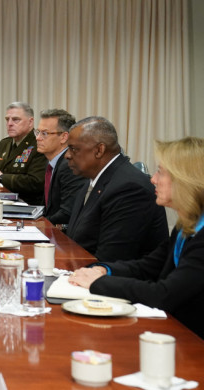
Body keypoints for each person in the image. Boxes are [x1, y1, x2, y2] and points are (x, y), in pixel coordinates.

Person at [69, 137, 204, 338]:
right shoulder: (186, 226)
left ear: (184, 181)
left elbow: (164, 294)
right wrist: (104, 269)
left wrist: (98, 282)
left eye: (161, 172)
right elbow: (147, 266)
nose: (153, 179)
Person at [65, 116, 168, 262]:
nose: (67, 155)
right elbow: (77, 238)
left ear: (99, 150)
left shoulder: (129, 188)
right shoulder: (94, 180)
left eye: (73, 149)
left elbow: (111, 259)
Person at [0, 102, 47, 205]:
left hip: (26, 205)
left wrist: (1, 177)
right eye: (7, 119)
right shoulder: (5, 143)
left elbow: (35, 182)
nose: (9, 123)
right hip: (1, 200)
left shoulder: (39, 144)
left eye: (16, 120)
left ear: (30, 122)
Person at [35, 109, 86, 225]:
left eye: (45, 133)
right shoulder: (51, 163)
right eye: (37, 132)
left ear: (64, 137)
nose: (38, 138)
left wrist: (39, 224)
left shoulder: (70, 165)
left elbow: (67, 213)